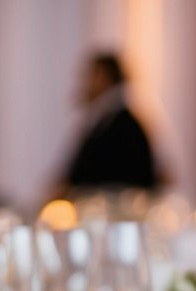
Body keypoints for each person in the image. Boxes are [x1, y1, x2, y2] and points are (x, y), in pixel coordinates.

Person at [60, 51, 158, 193]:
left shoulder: (120, 123)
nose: (86, 83)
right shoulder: (106, 118)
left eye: (91, 75)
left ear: (103, 77)